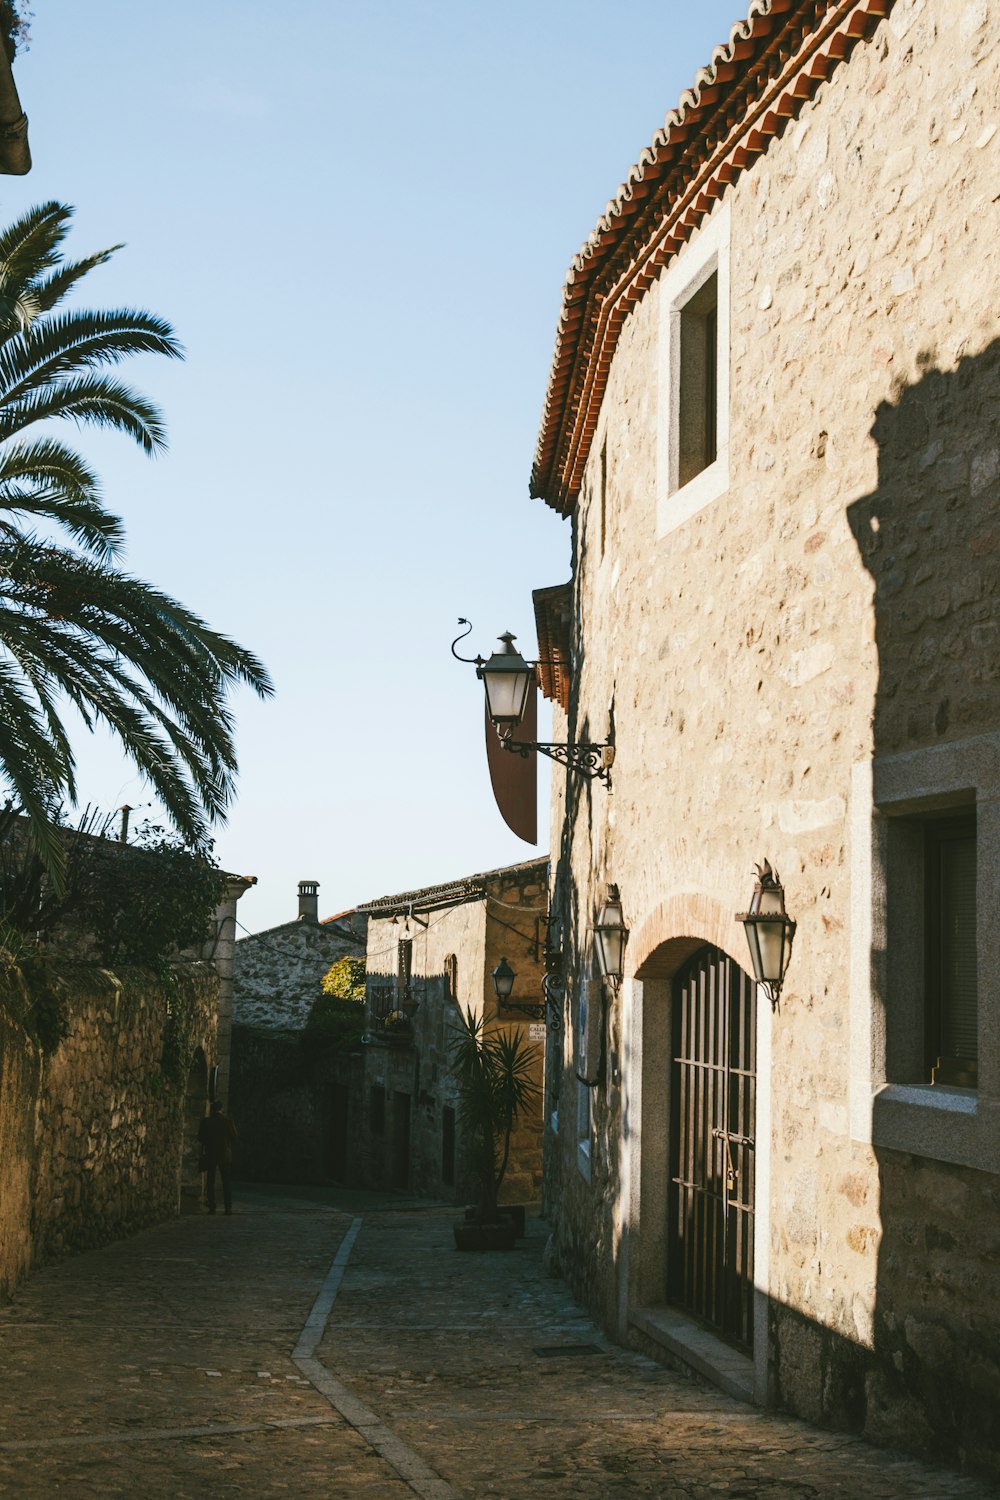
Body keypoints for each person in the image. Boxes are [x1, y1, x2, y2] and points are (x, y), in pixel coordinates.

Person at [198, 1100, 238, 1215]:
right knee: (226, 1181)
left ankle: (212, 1207)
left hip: (210, 1153)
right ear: (221, 1109)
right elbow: (234, 1136)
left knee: (210, 1181)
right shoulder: (227, 1121)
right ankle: (228, 1207)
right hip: (224, 1154)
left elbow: (200, 1137)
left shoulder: (206, 1122)